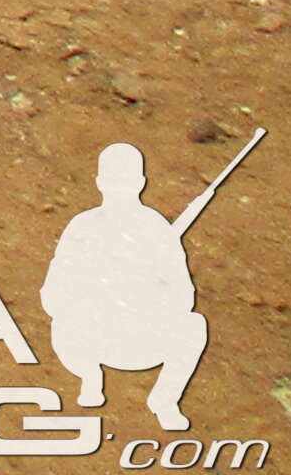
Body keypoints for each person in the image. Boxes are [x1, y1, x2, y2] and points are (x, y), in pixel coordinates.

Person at [38, 142, 209, 432]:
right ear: (101, 183)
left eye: (124, 181)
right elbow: (53, 293)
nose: (120, 188)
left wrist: (142, 291)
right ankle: (90, 376)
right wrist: (93, 293)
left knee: (194, 326)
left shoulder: (156, 230)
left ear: (140, 183)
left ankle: (164, 401)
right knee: (68, 318)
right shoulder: (84, 226)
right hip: (89, 339)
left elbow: (183, 298)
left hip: (140, 340)